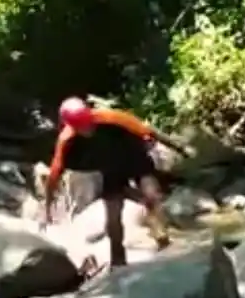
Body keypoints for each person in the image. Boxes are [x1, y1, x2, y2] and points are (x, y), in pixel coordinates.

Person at [44, 97, 189, 267]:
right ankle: (118, 261)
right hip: (111, 170)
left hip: (136, 158)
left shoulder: (111, 118)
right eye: (81, 127)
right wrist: (48, 206)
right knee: (113, 217)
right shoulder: (67, 140)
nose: (87, 129)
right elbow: (55, 174)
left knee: (152, 195)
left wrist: (180, 148)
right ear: (72, 126)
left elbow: (149, 131)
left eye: (88, 123)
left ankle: (161, 236)